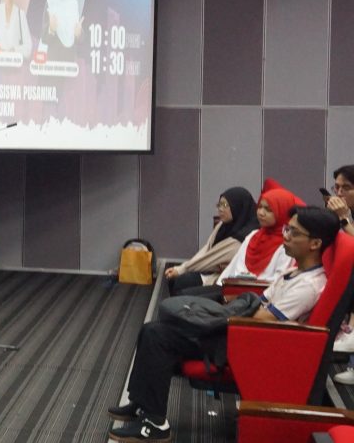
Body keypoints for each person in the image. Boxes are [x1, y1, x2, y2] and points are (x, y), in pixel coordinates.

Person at [108, 206, 340, 442]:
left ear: (315, 243)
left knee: (158, 336)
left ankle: (155, 424)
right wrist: (242, 308)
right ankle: (143, 405)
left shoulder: (308, 286)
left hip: (251, 346)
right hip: (244, 335)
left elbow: (262, 318)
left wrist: (234, 312)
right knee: (152, 330)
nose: (286, 236)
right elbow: (260, 303)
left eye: (294, 232)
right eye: (287, 229)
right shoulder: (294, 273)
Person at [174, 187, 303, 301]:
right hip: (232, 286)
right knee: (182, 296)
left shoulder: (286, 245)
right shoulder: (254, 235)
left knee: (185, 301)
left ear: (281, 212)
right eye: (260, 207)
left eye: (268, 210)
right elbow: (234, 266)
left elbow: (276, 284)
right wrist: (221, 286)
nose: (261, 213)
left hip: (252, 296)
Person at [164, 187, 259, 296]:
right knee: (176, 281)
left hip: (227, 281)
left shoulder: (244, 236)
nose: (220, 209)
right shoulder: (223, 225)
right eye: (219, 205)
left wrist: (182, 269)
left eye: (225, 205)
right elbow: (207, 250)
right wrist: (182, 268)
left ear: (238, 207)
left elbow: (212, 258)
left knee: (182, 289)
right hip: (212, 271)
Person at [325, 165, 354, 359]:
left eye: (346, 188)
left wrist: (343, 218)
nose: (339, 193)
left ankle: (352, 328)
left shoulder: (346, 215)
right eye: (336, 187)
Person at [43, 0, 83, 64]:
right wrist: (51, 29)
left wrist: (78, 34)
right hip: (54, 63)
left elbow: (80, 39)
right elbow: (44, 38)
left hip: (70, 63)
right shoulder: (50, 3)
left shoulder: (74, 3)